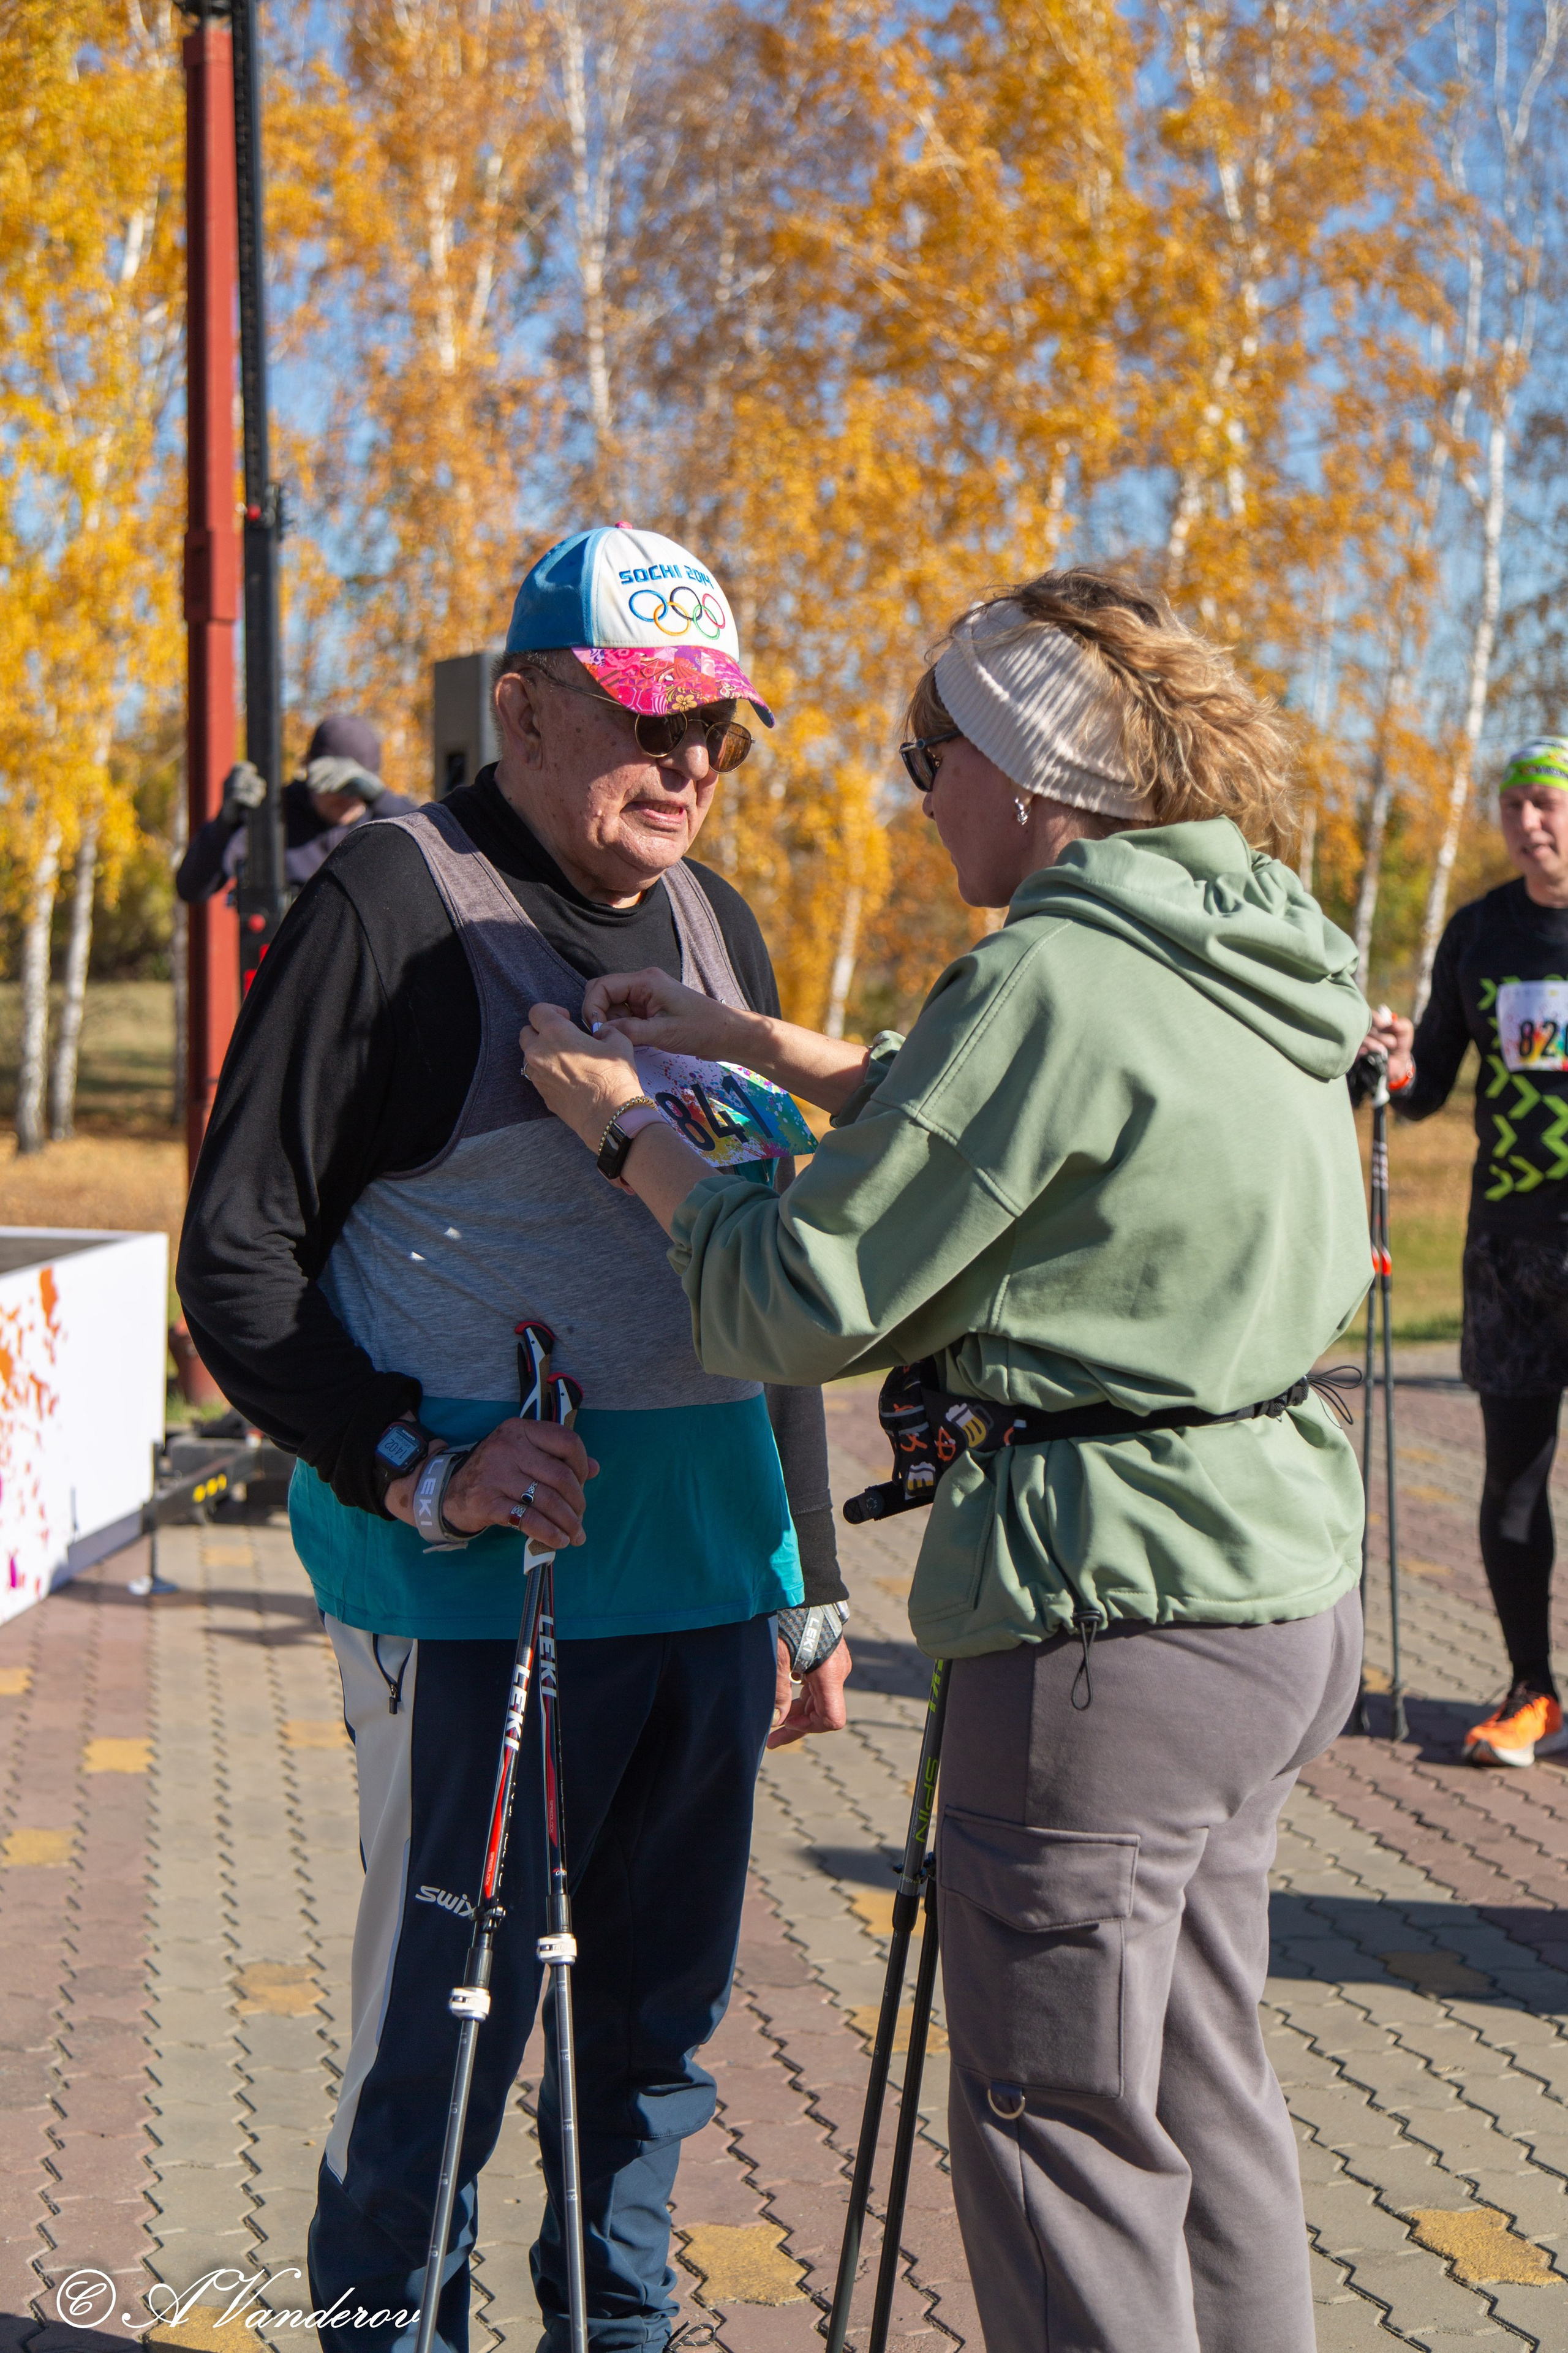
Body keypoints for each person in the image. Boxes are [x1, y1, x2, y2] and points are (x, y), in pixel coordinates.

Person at [520, 568, 1373, 2353]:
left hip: (1099, 1623)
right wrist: (768, 1048)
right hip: (1269, 1596)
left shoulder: (1049, 968)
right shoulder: (1235, 930)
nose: (919, 797)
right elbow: (1028, 1120)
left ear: (1023, 768)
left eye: (927, 757)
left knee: (1056, 2130)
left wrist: (630, 1145)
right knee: (1201, 2095)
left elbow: (799, 1293)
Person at [176, 524, 853, 2353]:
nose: (690, 765)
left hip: (706, 1584)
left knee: (652, 2043)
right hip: (487, 1599)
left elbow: (767, 1268)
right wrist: (414, 1457)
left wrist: (810, 1581)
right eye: (650, 721)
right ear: (525, 705)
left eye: (716, 726)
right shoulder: (395, 900)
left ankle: (610, 2328)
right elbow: (233, 1255)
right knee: (448, 2037)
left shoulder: (717, 923)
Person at [1366, 735, 1568, 1768]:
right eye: (1515, 805)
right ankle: (1533, 1693)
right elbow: (1433, 1083)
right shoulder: (1480, 933)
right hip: (1510, 1254)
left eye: (1548, 803)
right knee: (1513, 1484)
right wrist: (1393, 1068)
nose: (1529, 822)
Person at [175, 714, 413, 904]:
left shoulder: (386, 821)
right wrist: (224, 825)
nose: (346, 798)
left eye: (355, 788)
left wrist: (382, 799)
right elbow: (191, 888)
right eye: (333, 784)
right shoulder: (276, 814)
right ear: (308, 769)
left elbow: (436, 851)